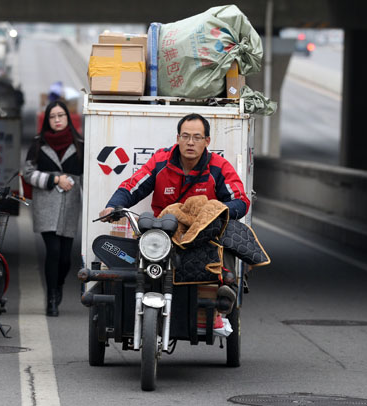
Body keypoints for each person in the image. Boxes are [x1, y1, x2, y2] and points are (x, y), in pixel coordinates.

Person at [99, 113, 250, 311]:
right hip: (162, 232)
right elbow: (131, 187)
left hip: (203, 234)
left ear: (207, 141)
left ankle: (227, 286)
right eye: (185, 136)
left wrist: (216, 211)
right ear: (177, 138)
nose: (190, 142)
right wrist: (113, 206)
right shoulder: (161, 161)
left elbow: (241, 201)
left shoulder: (219, 167)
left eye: (197, 137)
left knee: (229, 231)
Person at [23, 100, 84, 317]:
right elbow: (28, 173)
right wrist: (55, 180)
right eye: (52, 116)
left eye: (61, 115)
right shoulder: (38, 143)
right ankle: (51, 299)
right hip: (46, 204)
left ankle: (58, 286)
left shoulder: (79, 143)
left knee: (66, 258)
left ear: (68, 118)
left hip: (69, 206)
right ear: (47, 120)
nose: (57, 120)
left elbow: (87, 176)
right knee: (53, 251)